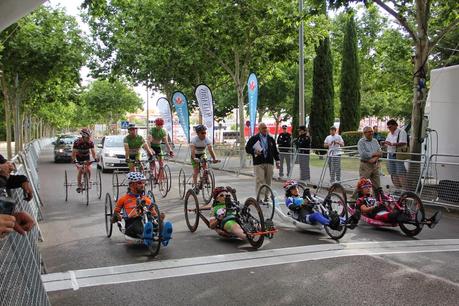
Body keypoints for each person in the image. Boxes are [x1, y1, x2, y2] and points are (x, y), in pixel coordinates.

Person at [112, 172, 172, 243]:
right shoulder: (123, 199)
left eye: (143, 183)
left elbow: (153, 212)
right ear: (131, 185)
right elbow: (114, 215)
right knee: (138, 222)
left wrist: (158, 216)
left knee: (155, 220)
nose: (143, 185)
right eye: (139, 183)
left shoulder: (146, 199)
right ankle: (147, 233)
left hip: (148, 221)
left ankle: (162, 231)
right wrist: (117, 216)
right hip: (132, 223)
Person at [355, 178, 440, 227]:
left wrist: (385, 198)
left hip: (385, 209)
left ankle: (428, 220)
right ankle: (415, 218)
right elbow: (364, 209)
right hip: (377, 214)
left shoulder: (372, 196)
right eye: (365, 187)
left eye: (369, 186)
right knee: (395, 214)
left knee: (398, 209)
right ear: (360, 189)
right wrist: (375, 206)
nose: (368, 188)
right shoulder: (360, 200)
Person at [245, 122, 280, 194]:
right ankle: (260, 198)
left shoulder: (270, 138)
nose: (265, 129)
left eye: (266, 128)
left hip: (269, 162)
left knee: (268, 181)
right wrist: (254, 151)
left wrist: (277, 160)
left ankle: (267, 197)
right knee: (260, 180)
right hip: (258, 163)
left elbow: (275, 150)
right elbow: (247, 148)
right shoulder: (254, 138)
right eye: (263, 128)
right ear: (259, 129)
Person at [190, 125, 219, 193]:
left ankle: (205, 178)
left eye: (205, 133)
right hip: (194, 155)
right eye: (202, 133)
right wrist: (194, 158)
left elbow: (210, 149)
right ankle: (195, 186)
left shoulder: (207, 139)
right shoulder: (194, 139)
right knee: (196, 171)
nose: (204, 134)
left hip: (202, 154)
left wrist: (214, 159)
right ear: (198, 133)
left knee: (205, 167)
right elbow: (193, 150)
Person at [72, 128, 99, 193]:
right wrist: (73, 159)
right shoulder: (77, 142)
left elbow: (93, 152)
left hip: (86, 157)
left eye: (89, 137)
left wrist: (95, 158)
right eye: (87, 137)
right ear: (83, 137)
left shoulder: (90, 142)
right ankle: (79, 185)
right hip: (79, 157)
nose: (89, 138)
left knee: (88, 169)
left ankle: (87, 181)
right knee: (81, 170)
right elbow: (74, 153)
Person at [384, 119, 407, 189]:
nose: (389, 129)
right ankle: (397, 189)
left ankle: (404, 190)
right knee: (393, 173)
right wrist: (385, 143)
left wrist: (392, 144)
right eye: (388, 127)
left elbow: (403, 142)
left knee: (400, 173)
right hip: (390, 154)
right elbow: (387, 142)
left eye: (390, 127)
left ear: (395, 125)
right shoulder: (389, 134)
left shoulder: (401, 132)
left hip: (398, 154)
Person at [357, 126, 382, 191]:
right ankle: (354, 199)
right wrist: (374, 154)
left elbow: (380, 152)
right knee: (362, 185)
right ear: (364, 133)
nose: (371, 133)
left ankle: (376, 200)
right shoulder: (361, 142)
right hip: (365, 166)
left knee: (377, 186)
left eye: (372, 131)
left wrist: (374, 159)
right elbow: (363, 154)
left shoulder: (375, 141)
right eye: (369, 132)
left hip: (374, 165)